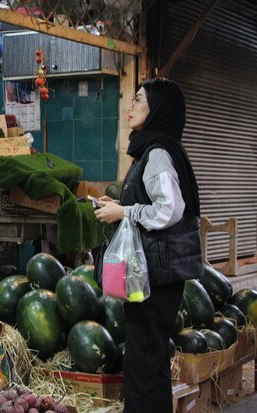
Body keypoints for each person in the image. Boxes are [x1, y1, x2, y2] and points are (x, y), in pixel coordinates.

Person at [94, 78, 203, 413]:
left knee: (142, 362)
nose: (131, 106)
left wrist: (124, 211)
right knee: (150, 362)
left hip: (156, 276)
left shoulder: (157, 151)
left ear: (158, 109)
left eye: (138, 100)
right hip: (158, 274)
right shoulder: (157, 147)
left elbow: (170, 208)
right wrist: (117, 205)